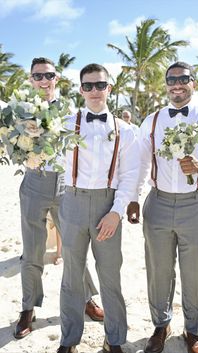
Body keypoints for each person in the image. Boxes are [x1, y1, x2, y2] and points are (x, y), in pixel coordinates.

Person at [127, 61, 198, 353]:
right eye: (171, 79)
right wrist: (134, 197)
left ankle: (194, 331)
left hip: (196, 206)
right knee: (158, 269)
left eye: (183, 79)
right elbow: (140, 162)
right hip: (157, 203)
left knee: (194, 271)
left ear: (193, 82)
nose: (177, 84)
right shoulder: (151, 120)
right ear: (166, 85)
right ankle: (161, 326)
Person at [14, 57, 104, 340]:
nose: (43, 81)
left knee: (75, 251)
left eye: (48, 76)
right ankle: (28, 308)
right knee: (32, 251)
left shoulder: (72, 113)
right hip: (33, 184)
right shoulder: (20, 113)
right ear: (31, 79)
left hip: (67, 186)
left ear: (57, 79)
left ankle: (87, 298)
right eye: (38, 76)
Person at [56, 63, 139, 353]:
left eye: (100, 85)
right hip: (73, 202)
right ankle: (69, 340)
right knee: (71, 277)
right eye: (88, 85)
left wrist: (117, 212)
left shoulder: (125, 131)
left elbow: (129, 176)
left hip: (108, 204)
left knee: (110, 276)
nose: (94, 91)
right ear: (81, 89)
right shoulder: (64, 124)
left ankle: (114, 339)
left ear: (109, 88)